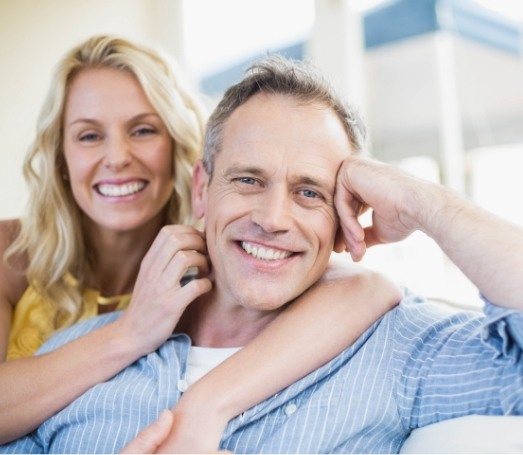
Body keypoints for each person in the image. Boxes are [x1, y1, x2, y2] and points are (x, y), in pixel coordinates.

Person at [4, 55, 521, 454]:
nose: (273, 218)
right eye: (249, 180)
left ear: (345, 213)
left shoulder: (396, 349)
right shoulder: (72, 357)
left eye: (310, 192)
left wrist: (426, 202)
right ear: (202, 189)